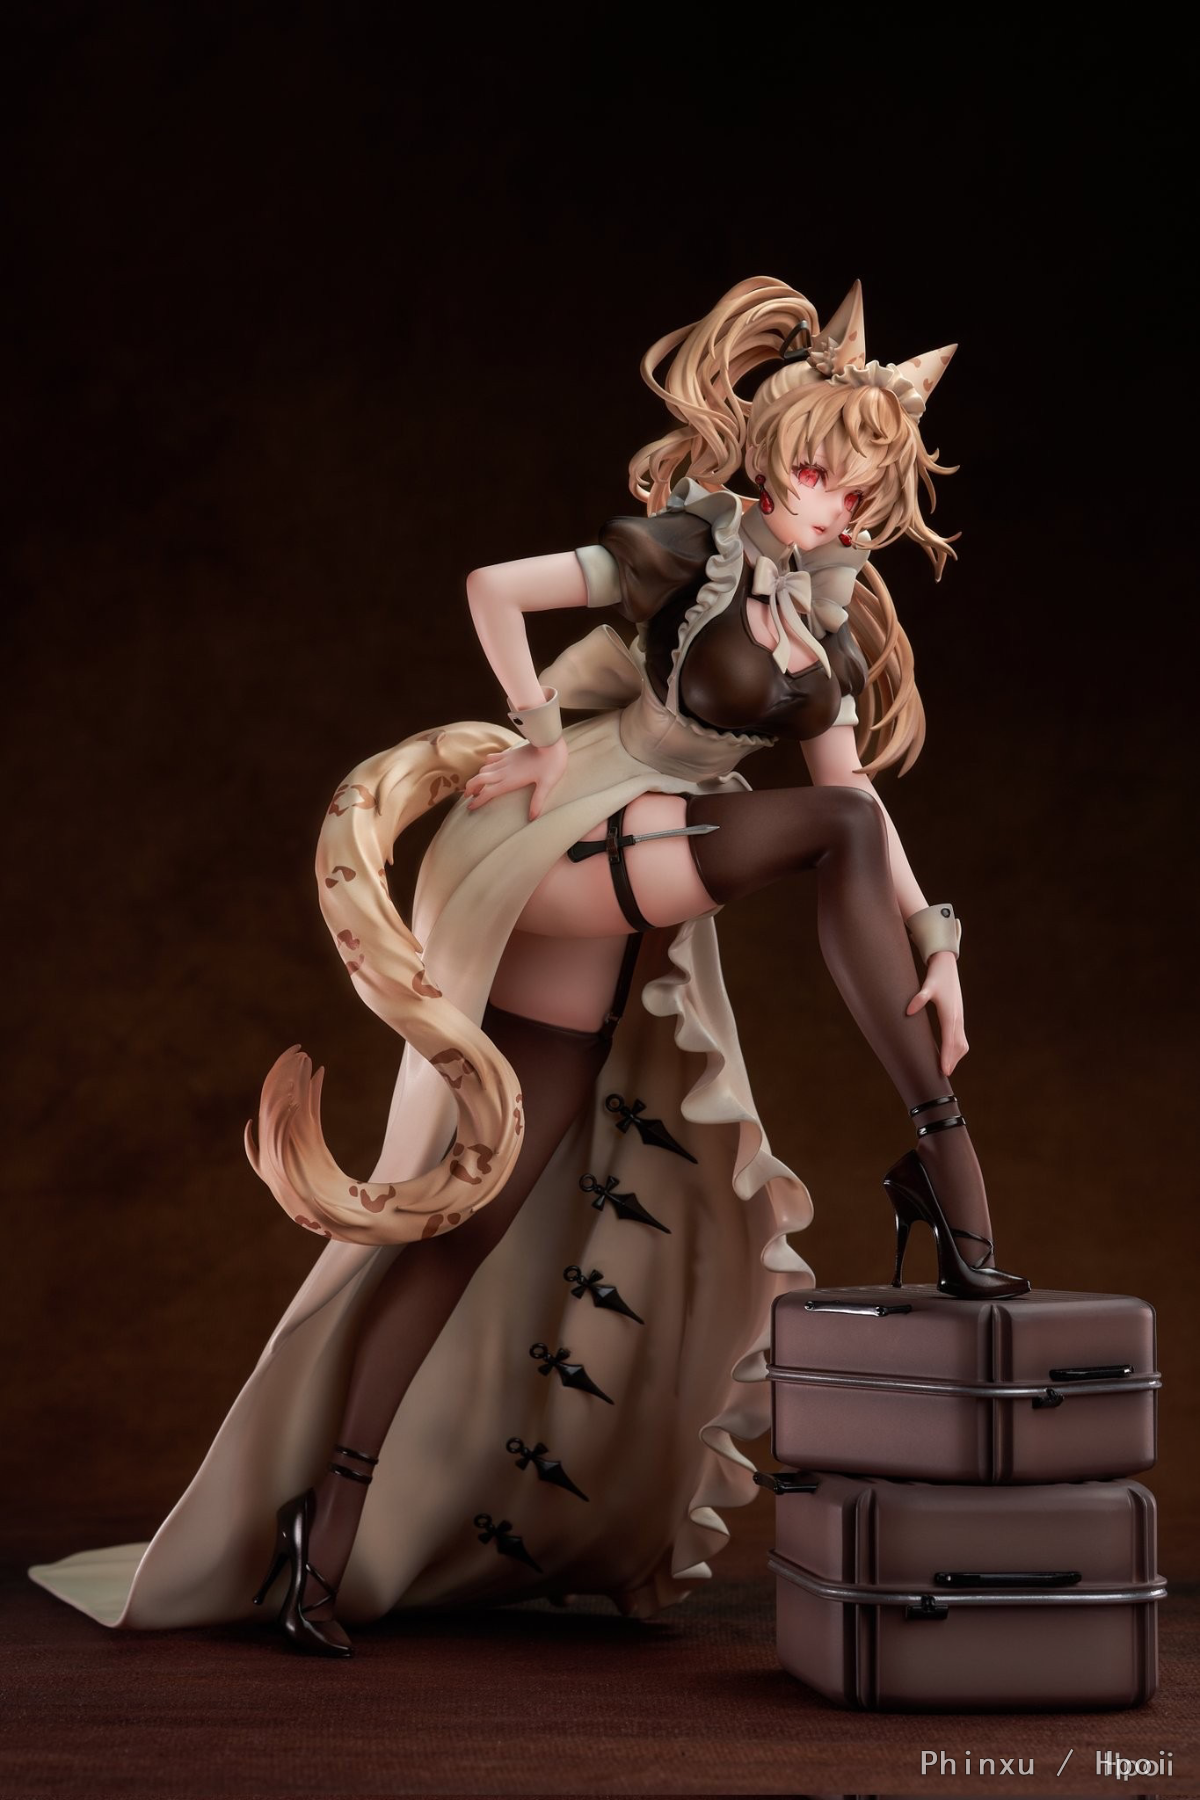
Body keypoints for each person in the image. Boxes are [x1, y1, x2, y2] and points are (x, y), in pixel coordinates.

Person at [28, 275, 1029, 1658]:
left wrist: (940, 948)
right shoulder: (693, 544)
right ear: (777, 449)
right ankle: (949, 1172)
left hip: (631, 896)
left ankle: (325, 1528)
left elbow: (856, 796)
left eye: (864, 495)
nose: (840, 506)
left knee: (471, 1214)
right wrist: (534, 728)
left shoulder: (832, 611)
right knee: (832, 832)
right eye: (822, 476)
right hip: (571, 838)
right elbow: (495, 589)